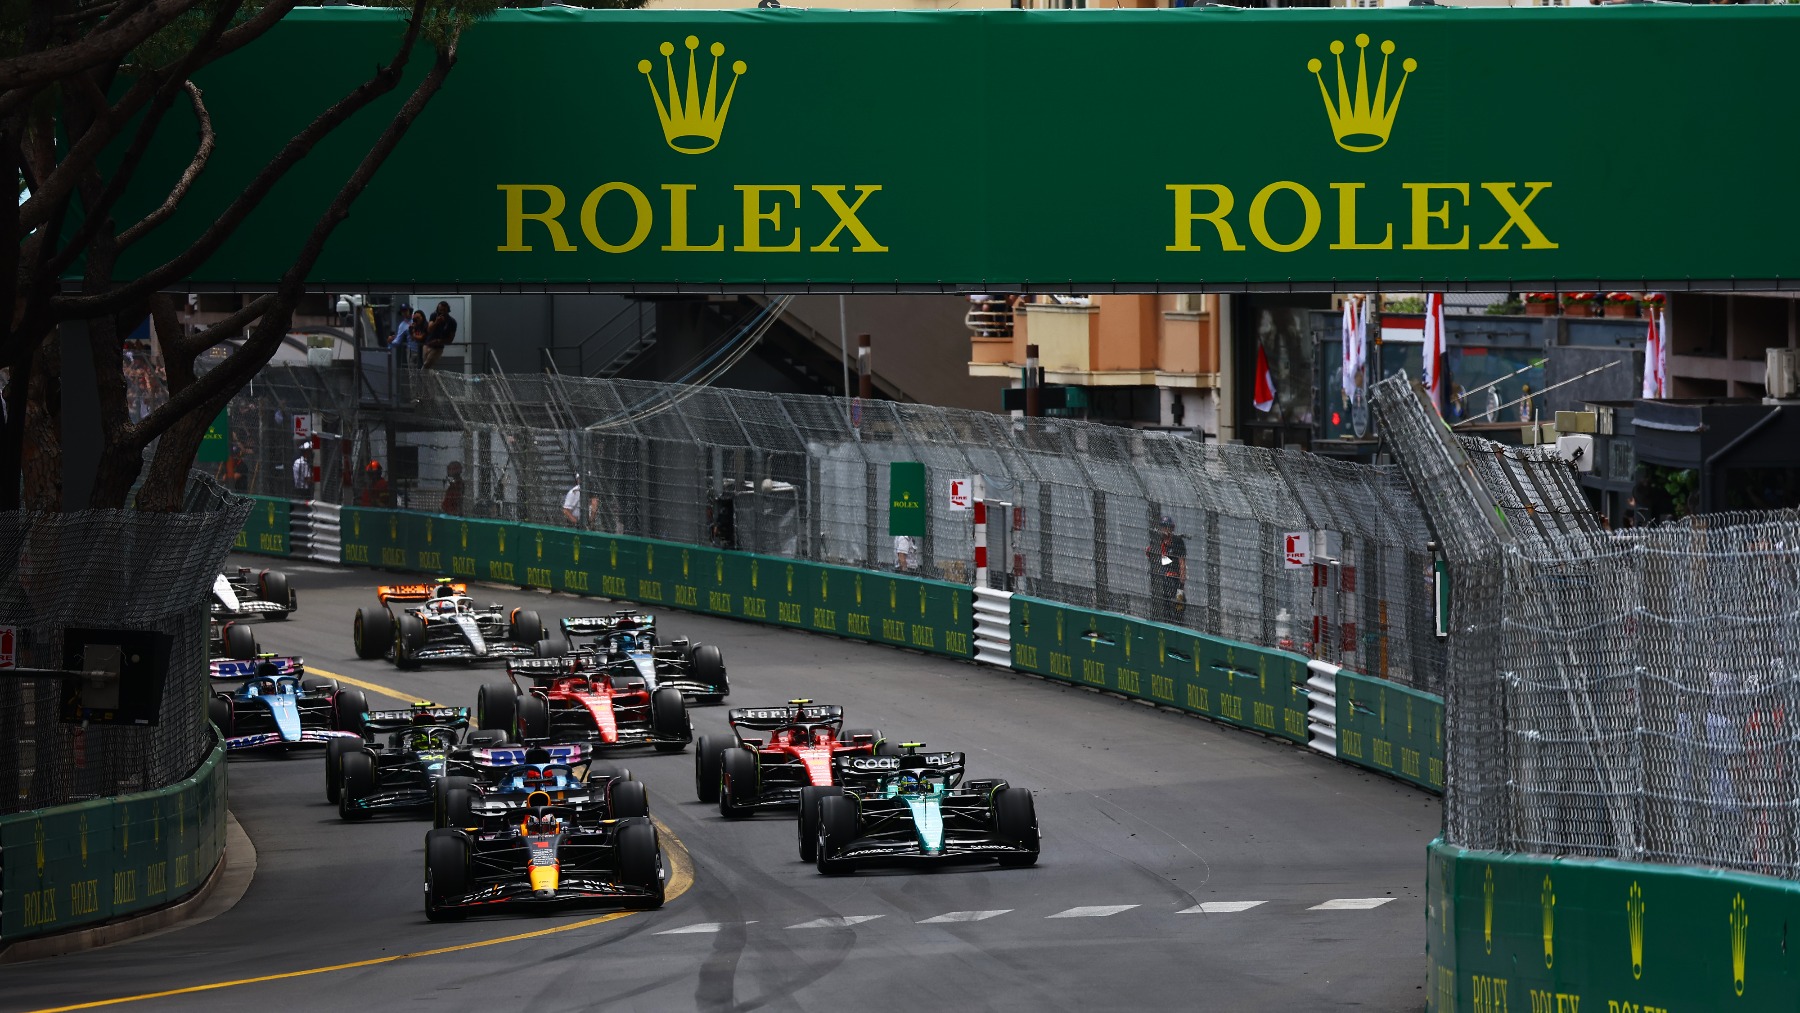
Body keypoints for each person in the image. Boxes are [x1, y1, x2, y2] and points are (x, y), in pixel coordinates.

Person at [1146, 514, 1187, 623]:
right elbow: (1151, 555)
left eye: (1168, 527)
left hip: (1174, 579)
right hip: (1162, 577)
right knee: (1164, 604)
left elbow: (1181, 562)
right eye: (1163, 526)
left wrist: (1182, 583)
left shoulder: (1177, 542)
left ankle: (1178, 622)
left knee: (1179, 604)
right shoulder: (1157, 541)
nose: (1165, 529)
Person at [421, 301, 458, 369]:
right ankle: (430, 379)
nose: (442, 312)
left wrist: (439, 341)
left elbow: (450, 339)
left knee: (426, 366)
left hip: (438, 347)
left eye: (444, 310)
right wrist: (436, 322)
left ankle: (420, 376)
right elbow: (429, 330)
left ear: (448, 310)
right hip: (427, 344)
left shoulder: (452, 322)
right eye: (440, 310)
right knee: (427, 367)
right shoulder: (434, 316)